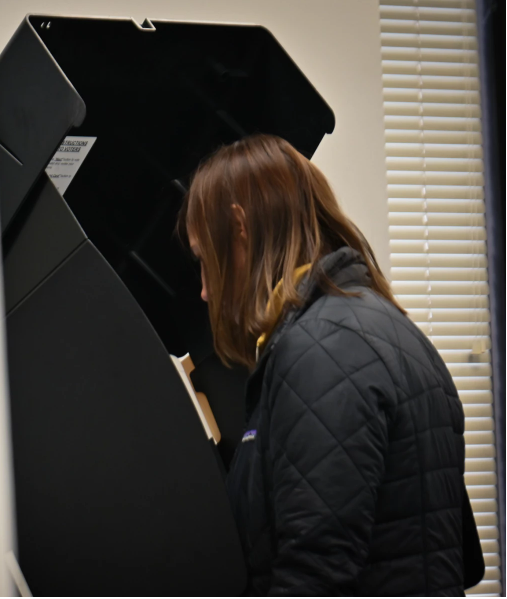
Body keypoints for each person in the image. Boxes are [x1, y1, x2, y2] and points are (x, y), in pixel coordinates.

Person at [180, 134, 478, 595]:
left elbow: (315, 573)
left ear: (239, 227)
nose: (204, 289)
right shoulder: (384, 327)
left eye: (205, 260)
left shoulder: (322, 349)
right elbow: (461, 557)